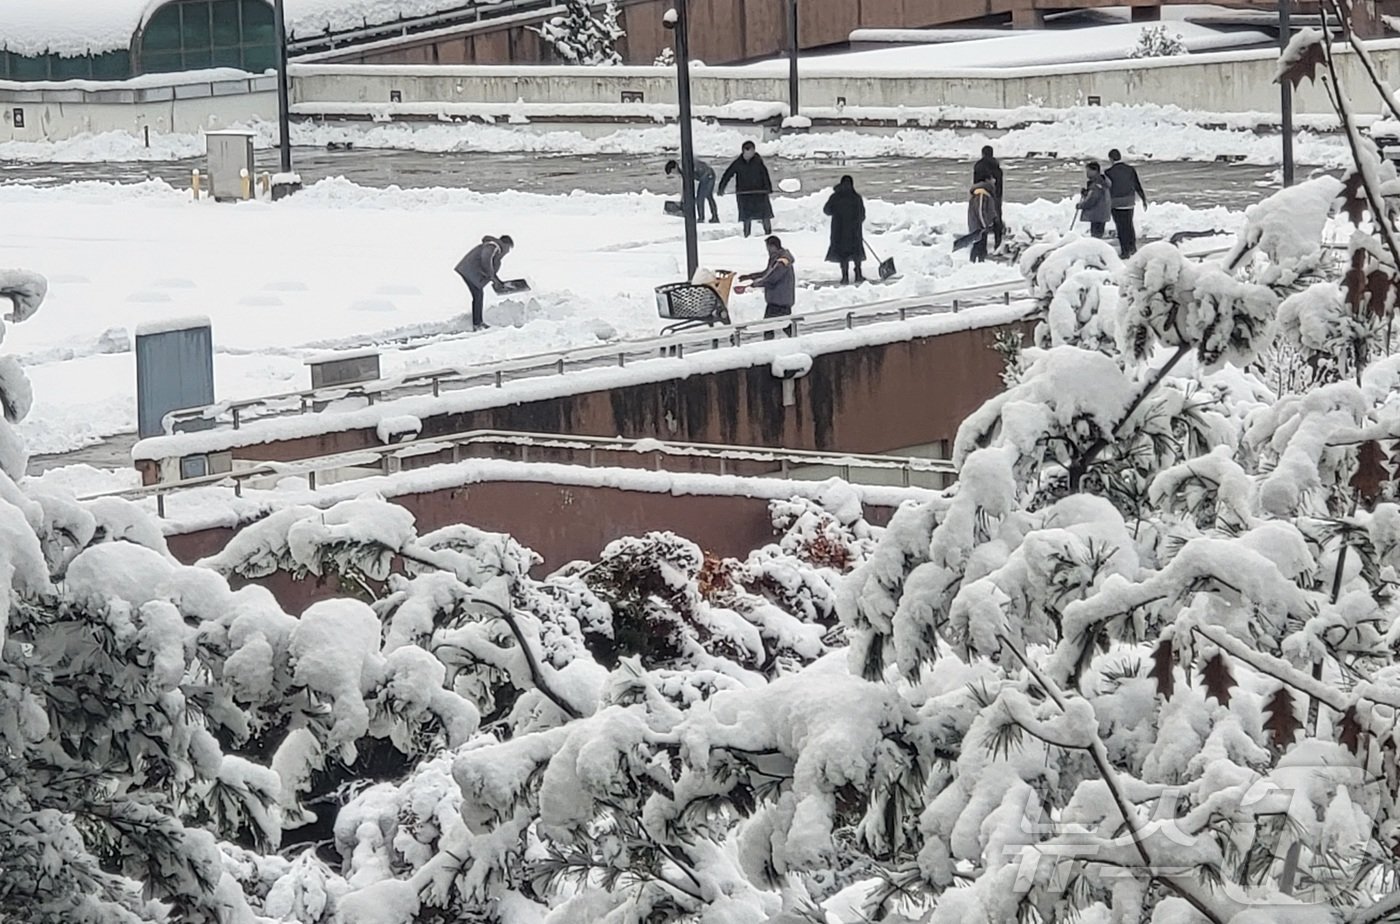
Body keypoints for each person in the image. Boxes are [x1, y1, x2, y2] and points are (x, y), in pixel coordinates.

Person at [735, 235, 795, 340]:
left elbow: (771, 279)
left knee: (769, 326)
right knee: (784, 325)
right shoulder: (776, 258)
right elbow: (767, 273)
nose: (767, 250)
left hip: (779, 300)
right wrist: (750, 277)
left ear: (773, 246)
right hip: (778, 299)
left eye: (767, 247)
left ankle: (768, 345)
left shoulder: (781, 262)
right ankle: (795, 340)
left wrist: (755, 284)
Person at [453, 234, 513, 332]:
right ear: (505, 244)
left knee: (478, 295)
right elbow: (486, 259)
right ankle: (477, 324)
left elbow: (490, 268)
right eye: (509, 248)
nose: (508, 252)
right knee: (478, 295)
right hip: (469, 271)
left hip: (468, 270)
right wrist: (492, 278)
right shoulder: (493, 246)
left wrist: (497, 281)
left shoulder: (494, 249)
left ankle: (478, 323)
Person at [718, 141, 774, 238]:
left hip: (759, 193)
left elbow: (765, 175)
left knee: (765, 215)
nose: (752, 153)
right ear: (744, 151)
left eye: (753, 151)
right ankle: (747, 236)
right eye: (750, 151)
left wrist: (768, 188)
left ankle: (768, 234)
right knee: (746, 217)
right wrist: (721, 188)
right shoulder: (738, 163)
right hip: (744, 195)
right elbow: (727, 175)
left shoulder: (758, 161)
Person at [823, 175, 866, 285]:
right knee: (856, 253)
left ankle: (845, 276)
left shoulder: (836, 197)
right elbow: (862, 215)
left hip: (839, 231)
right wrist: (856, 222)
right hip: (854, 232)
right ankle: (858, 274)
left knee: (843, 255)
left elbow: (827, 210)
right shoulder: (856, 197)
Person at [1105, 148, 1148, 258]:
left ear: (1110, 159)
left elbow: (1106, 189)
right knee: (1129, 224)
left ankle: (1125, 251)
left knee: (1121, 226)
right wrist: (1143, 198)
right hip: (1129, 201)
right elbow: (1137, 184)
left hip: (1116, 203)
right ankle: (1132, 247)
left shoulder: (1108, 172)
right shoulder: (1130, 169)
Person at [665, 156, 719, 223]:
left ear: (674, 168)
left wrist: (684, 201)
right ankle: (715, 217)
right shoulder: (682, 167)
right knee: (708, 196)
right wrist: (683, 200)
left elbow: (688, 183)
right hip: (707, 175)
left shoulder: (684, 167)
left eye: (672, 172)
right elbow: (686, 185)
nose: (674, 174)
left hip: (707, 175)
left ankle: (701, 218)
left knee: (700, 198)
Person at [974, 144, 1005, 248]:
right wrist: (998, 197)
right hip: (995, 196)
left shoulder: (978, 166)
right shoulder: (997, 167)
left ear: (983, 154)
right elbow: (999, 184)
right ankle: (998, 242)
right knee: (996, 219)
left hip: (981, 195)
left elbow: (976, 183)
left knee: (981, 219)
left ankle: (981, 244)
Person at [1077, 161, 1112, 239]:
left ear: (1095, 171)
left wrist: (1081, 205)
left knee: (1095, 236)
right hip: (1102, 213)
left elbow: (1092, 200)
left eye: (1088, 171)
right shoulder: (1102, 181)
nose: (1086, 173)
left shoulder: (1096, 184)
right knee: (1099, 235)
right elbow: (1095, 195)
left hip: (1097, 213)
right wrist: (1086, 193)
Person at [967, 179, 999, 264]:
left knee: (980, 246)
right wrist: (985, 225)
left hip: (980, 225)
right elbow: (981, 210)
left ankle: (977, 263)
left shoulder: (984, 193)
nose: (994, 181)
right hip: (980, 226)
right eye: (992, 179)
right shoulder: (981, 193)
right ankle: (975, 264)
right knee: (979, 245)